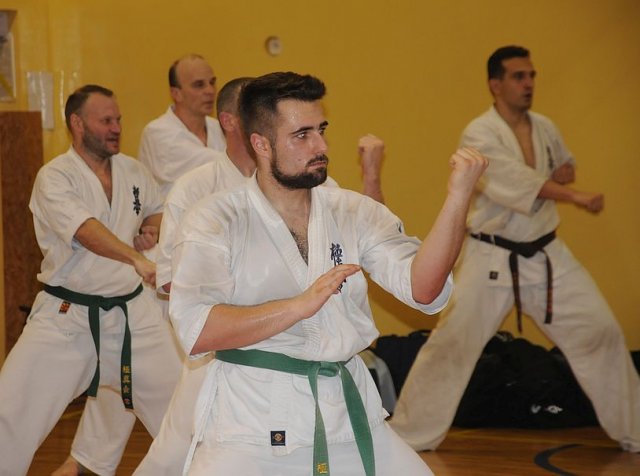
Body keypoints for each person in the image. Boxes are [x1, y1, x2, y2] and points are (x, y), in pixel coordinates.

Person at [167, 71, 487, 475]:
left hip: (348, 412)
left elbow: (423, 289)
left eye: (321, 130)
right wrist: (297, 306)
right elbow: (198, 329)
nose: (321, 146)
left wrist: (458, 197)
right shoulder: (215, 219)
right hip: (253, 425)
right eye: (301, 135)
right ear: (261, 144)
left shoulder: (352, 211)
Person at [390, 45, 640, 453]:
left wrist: (564, 174)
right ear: (496, 84)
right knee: (451, 344)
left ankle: (637, 430)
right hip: (490, 254)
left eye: (532, 75)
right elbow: (517, 183)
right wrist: (574, 196)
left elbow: (562, 166)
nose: (528, 83)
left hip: (546, 252)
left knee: (600, 331)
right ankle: (407, 437)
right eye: (519, 76)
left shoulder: (544, 126)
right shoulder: (479, 133)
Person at [135, 77, 391, 475]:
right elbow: (175, 286)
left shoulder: (313, 185)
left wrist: (371, 176)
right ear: (237, 124)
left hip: (301, 358)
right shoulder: (197, 190)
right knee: (172, 454)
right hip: (223, 356)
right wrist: (269, 304)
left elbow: (371, 233)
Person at [0, 85, 183, 476]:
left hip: (132, 314)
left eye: (118, 119)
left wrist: (150, 229)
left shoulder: (133, 170)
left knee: (182, 413)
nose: (116, 128)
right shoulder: (55, 177)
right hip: (66, 316)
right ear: (77, 123)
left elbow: (156, 210)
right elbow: (85, 231)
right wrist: (135, 257)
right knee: (10, 413)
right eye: (106, 121)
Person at [138, 53, 226, 200]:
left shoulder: (219, 128)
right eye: (199, 85)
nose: (210, 91)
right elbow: (218, 164)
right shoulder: (157, 132)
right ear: (176, 93)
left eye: (212, 82)